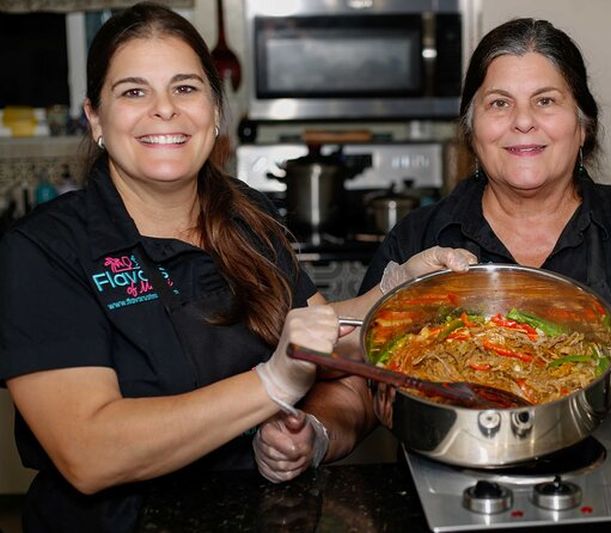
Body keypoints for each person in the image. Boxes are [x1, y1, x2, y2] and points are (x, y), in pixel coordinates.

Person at [248, 18, 611, 483]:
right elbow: (358, 387)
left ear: (583, 125)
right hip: (450, 482)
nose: (522, 121)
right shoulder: (421, 238)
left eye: (546, 100)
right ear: (473, 129)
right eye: (499, 103)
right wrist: (315, 435)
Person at [0, 3, 475, 532]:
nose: (165, 110)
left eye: (185, 88)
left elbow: (317, 334)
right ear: (95, 118)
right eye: (134, 91)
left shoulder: (245, 212)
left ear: (215, 110)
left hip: (257, 515)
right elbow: (88, 453)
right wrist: (270, 383)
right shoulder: (43, 249)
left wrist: (398, 293)